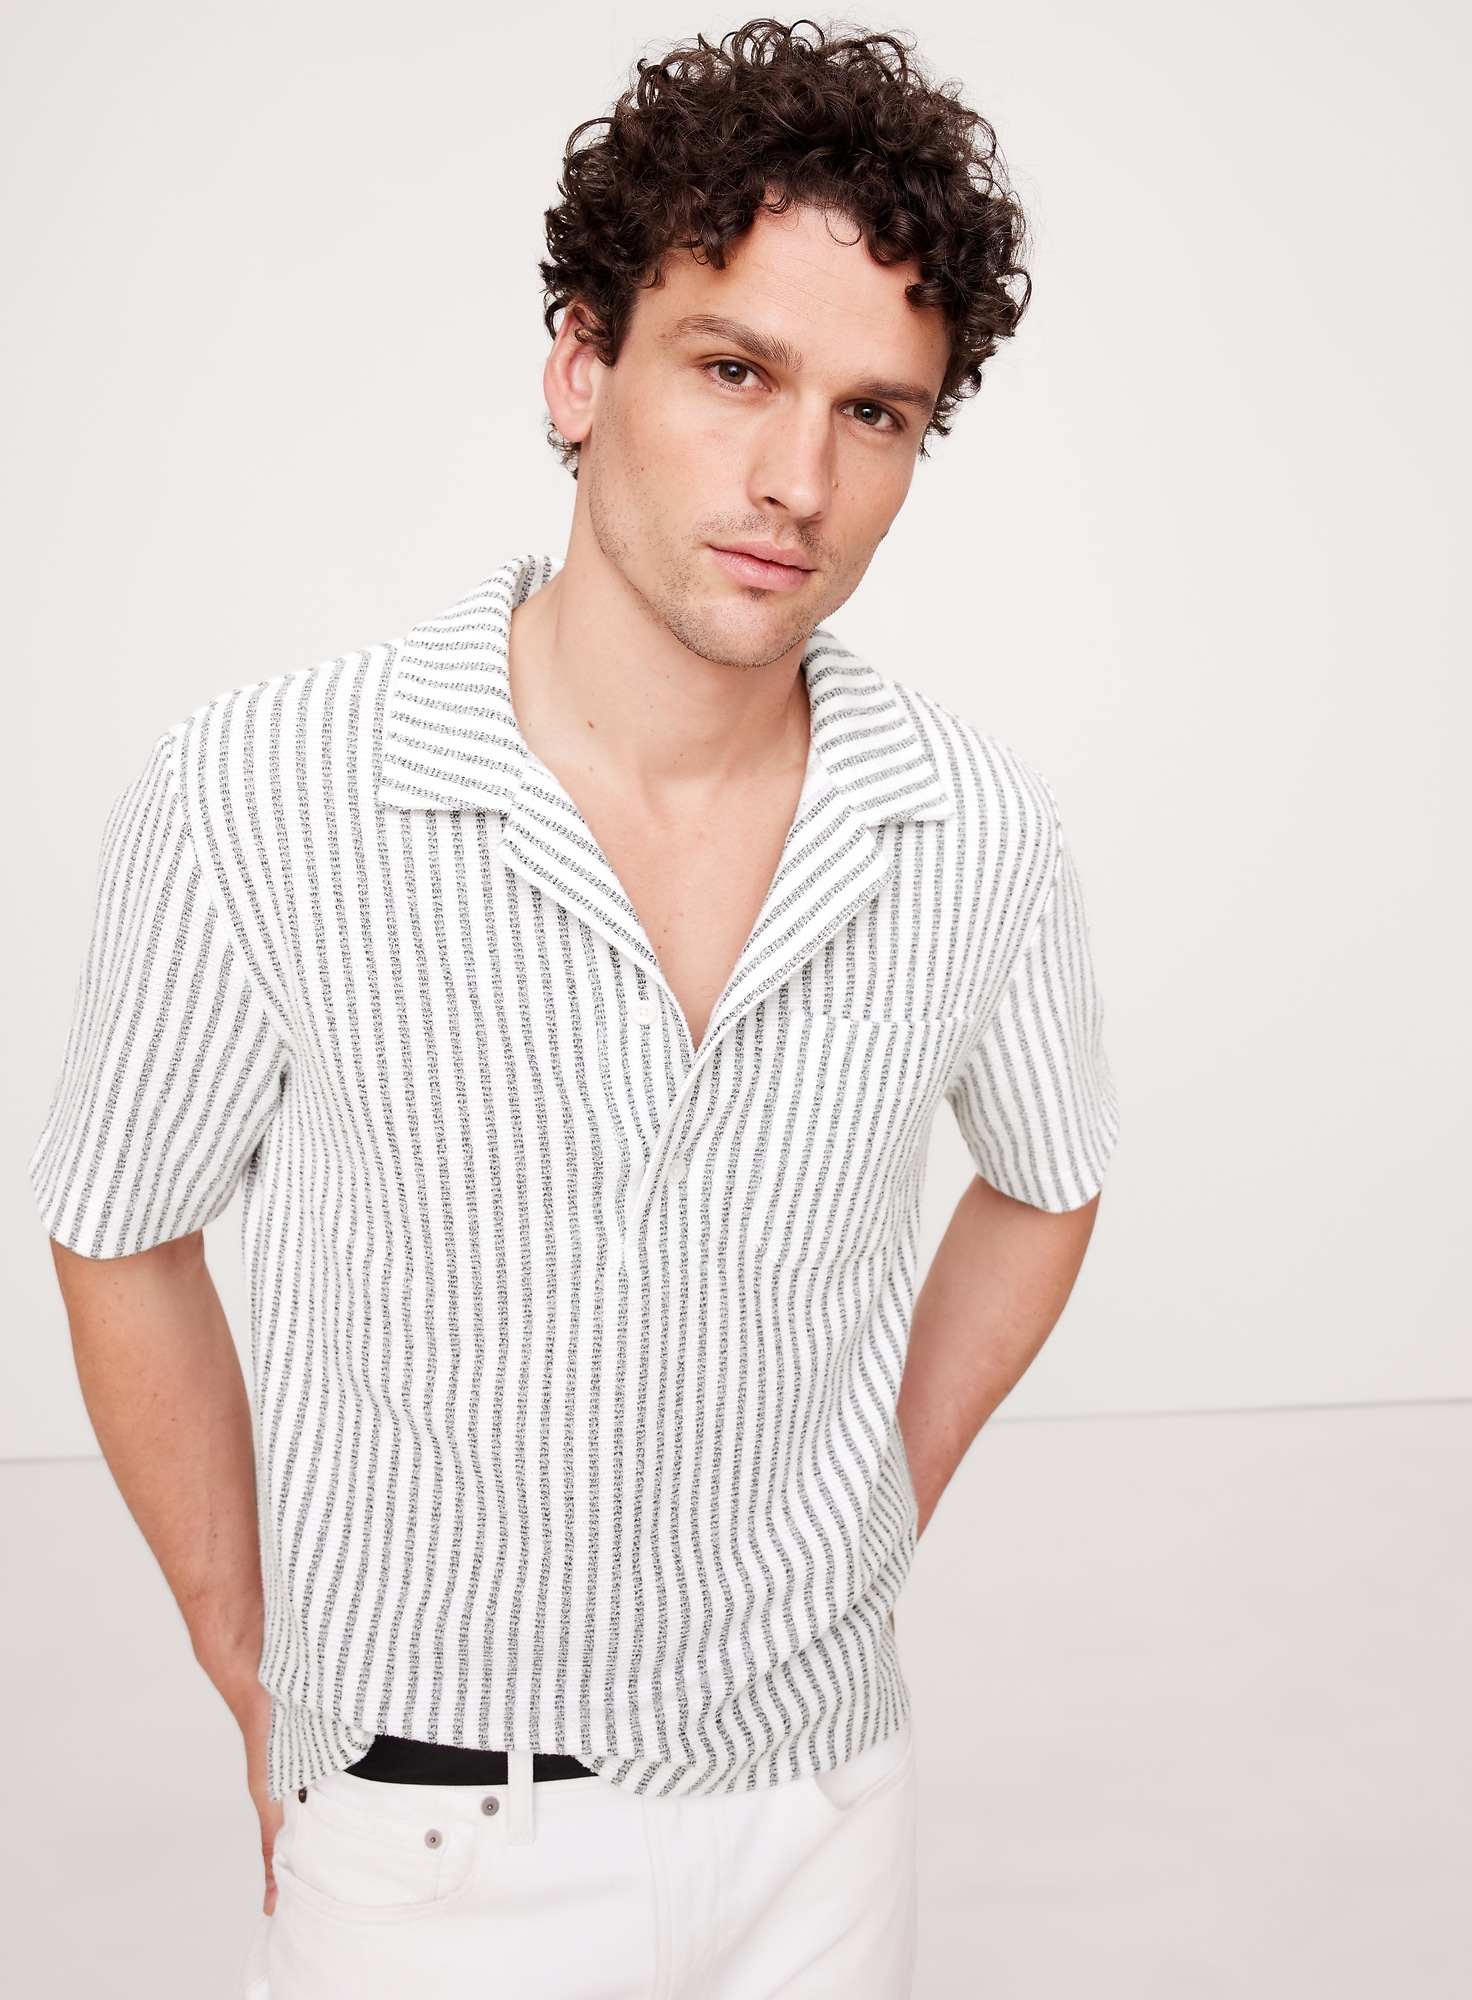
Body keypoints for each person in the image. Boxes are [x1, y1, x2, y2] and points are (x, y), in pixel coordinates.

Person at [33, 20, 1117, 1998]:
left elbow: (1050, 1179)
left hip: (823, 1805)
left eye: (877, 414)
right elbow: (120, 1226)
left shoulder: (976, 830)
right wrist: (251, 1657)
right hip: (431, 1840)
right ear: (580, 365)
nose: (798, 479)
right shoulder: (259, 795)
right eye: (734, 370)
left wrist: (876, 1506)